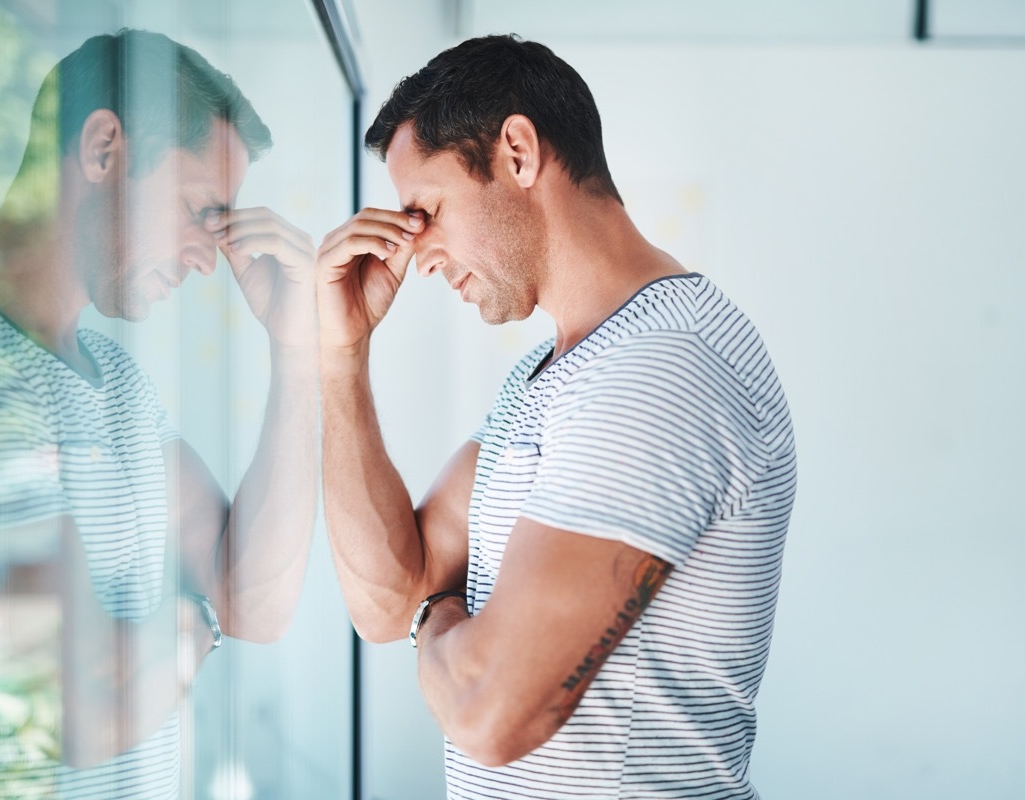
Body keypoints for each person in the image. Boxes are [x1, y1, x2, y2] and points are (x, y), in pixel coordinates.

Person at [316, 34, 797, 799]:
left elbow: (490, 710)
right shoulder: (551, 377)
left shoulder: (660, 371)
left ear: (517, 152)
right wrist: (340, 358)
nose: (418, 254)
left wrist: (437, 615)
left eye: (426, 211)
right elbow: (384, 598)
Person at [0, 29, 318, 797]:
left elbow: (252, 596)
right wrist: (196, 619)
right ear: (102, 150)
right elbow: (79, 709)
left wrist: (297, 351)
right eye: (198, 210)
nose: (206, 256)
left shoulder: (113, 380)